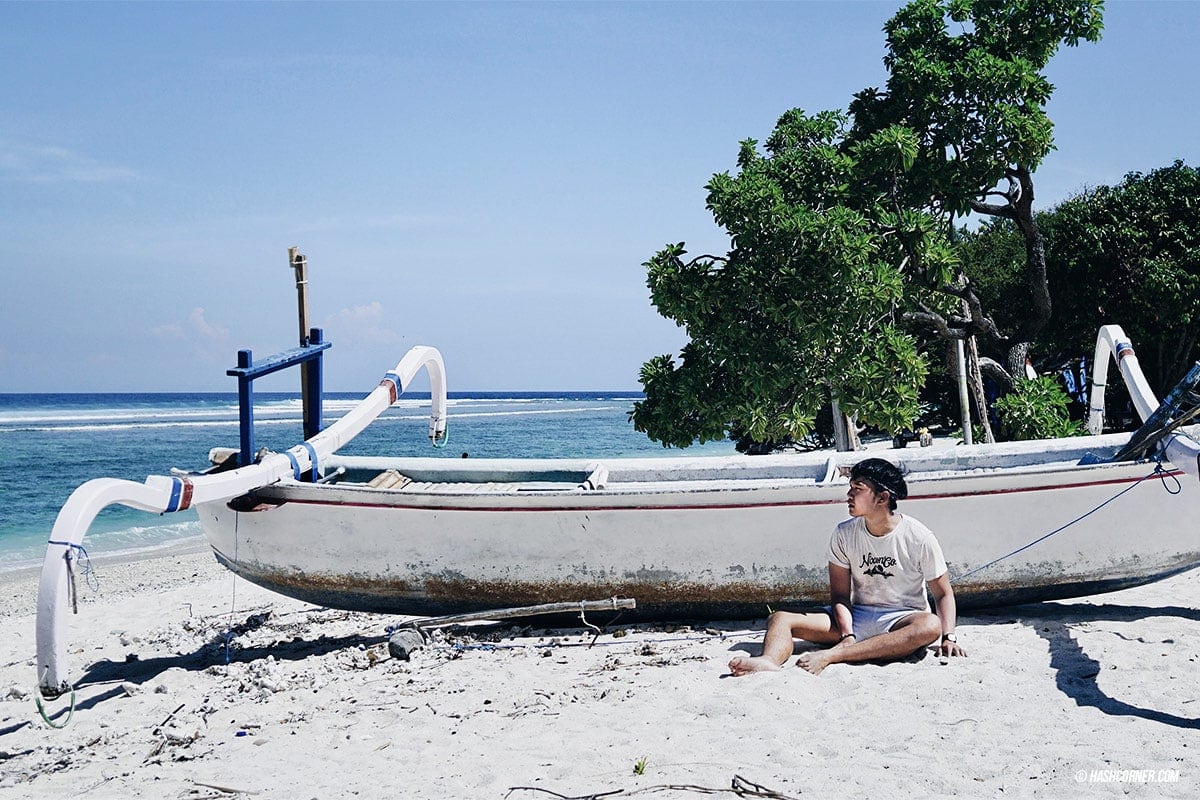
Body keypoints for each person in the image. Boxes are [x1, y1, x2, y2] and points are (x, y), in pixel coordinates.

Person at [729, 457, 966, 676]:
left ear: (882, 498)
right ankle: (768, 660)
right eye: (850, 487)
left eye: (858, 489)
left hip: (901, 619)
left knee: (930, 626)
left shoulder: (919, 537)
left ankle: (833, 656)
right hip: (857, 617)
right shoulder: (844, 533)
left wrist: (949, 637)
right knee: (780, 618)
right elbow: (840, 595)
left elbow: (943, 592)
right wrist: (847, 633)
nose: (849, 494)